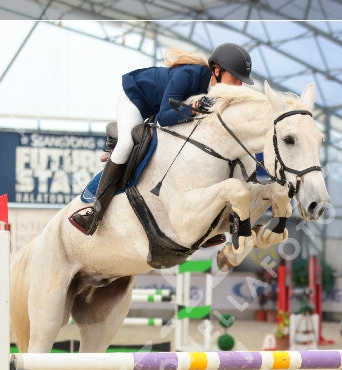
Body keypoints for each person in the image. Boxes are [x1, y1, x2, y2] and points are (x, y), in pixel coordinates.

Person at [71, 43, 254, 235]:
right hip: (136, 98)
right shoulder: (189, 75)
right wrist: (194, 107)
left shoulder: (219, 94)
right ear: (216, 71)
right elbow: (164, 118)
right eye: (235, 78)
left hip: (157, 106)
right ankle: (94, 212)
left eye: (242, 81)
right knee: (126, 144)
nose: (239, 86)